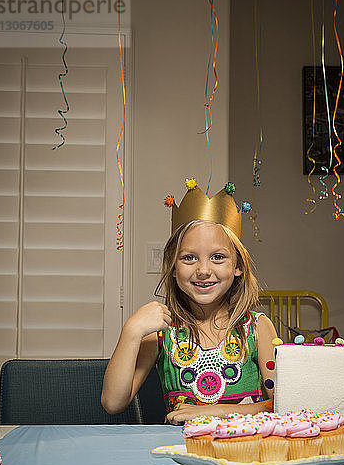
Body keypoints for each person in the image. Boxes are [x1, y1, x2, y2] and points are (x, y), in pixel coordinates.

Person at [101, 181, 278, 425]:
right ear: (173, 268)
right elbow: (113, 403)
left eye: (217, 257)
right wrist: (131, 330)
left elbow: (280, 404)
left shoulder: (257, 329)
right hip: (181, 450)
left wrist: (210, 412)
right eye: (189, 258)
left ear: (237, 266)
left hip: (247, 450)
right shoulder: (161, 334)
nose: (203, 270)